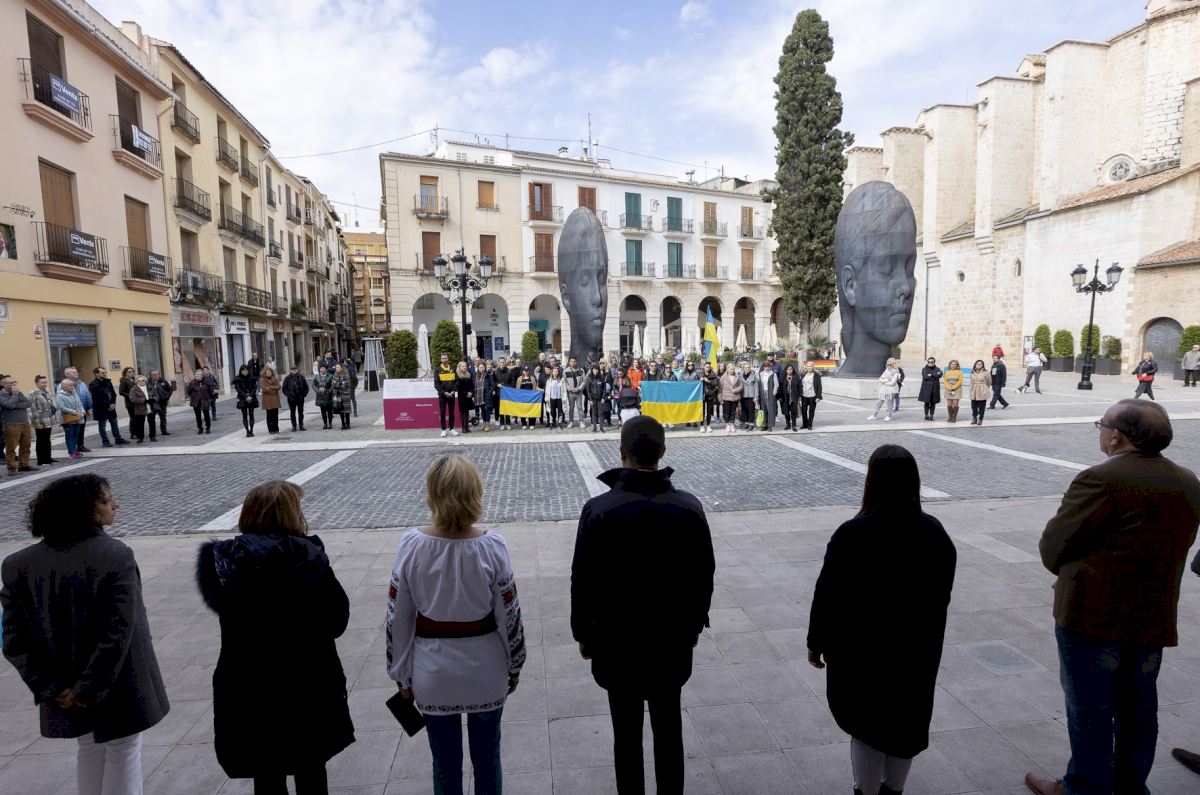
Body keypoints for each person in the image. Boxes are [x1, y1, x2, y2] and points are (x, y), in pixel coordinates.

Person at [1024, 400, 1200, 795]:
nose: (1101, 432)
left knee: (1090, 708)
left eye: (1101, 425)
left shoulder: (1100, 479)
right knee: (1139, 708)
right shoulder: (1188, 480)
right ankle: (1130, 786)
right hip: (1152, 615)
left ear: (1116, 436)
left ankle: (1085, 788)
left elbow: (1054, 547)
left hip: (1092, 616)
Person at [571, 416, 715, 795]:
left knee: (626, 736)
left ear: (621, 452)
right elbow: (703, 576)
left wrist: (583, 633)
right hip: (671, 641)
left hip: (616, 643)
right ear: (663, 451)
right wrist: (693, 628)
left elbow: (582, 579)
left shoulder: (598, 509)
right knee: (669, 730)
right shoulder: (688, 507)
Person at [1, 474, 169, 793]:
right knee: (122, 750)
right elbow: (118, 630)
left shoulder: (17, 564)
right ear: (84, 511)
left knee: (90, 749)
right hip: (116, 682)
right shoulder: (114, 555)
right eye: (105, 501)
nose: (115, 505)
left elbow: (13, 640)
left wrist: (52, 687)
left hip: (63, 683)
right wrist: (88, 688)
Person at [808, 445, 955, 795]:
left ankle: (867, 790)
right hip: (914, 650)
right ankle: (894, 789)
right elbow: (941, 595)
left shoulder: (852, 534)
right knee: (904, 724)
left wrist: (817, 642)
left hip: (862, 651)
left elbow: (827, 595)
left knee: (866, 724)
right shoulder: (934, 533)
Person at [196, 480, 354, 793]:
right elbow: (337, 620)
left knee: (266, 771)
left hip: (248, 681)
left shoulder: (223, 561)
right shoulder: (308, 557)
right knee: (311, 770)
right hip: (306, 680)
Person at [387, 454, 527, 795]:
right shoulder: (492, 547)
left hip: (432, 673)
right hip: (485, 671)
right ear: (475, 492)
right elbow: (509, 615)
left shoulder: (412, 545)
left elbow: (397, 618)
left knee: (445, 765)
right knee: (488, 761)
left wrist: (401, 675)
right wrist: (515, 664)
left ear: (432, 493)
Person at [1, 375, 34, 473]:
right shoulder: (1, 395)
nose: (14, 384)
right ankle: (11, 468)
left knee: (26, 445)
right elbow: (9, 405)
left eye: (15, 382)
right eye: (11, 382)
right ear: (4, 384)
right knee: (11, 447)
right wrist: (14, 396)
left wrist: (15, 404)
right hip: (11, 424)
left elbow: (28, 403)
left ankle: (24, 465)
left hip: (24, 423)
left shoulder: (19, 393)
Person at [88, 367, 128, 448]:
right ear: (96, 374)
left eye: (105, 372)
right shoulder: (93, 384)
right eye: (102, 373)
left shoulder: (108, 382)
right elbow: (97, 398)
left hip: (111, 407)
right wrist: (108, 405)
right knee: (102, 425)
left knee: (114, 423)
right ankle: (105, 441)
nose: (105, 374)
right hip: (101, 408)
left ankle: (118, 438)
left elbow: (113, 394)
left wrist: (113, 403)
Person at [29, 375, 58, 466]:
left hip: (48, 420)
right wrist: (36, 421)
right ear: (37, 383)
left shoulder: (47, 392)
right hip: (40, 421)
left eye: (45, 382)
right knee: (41, 441)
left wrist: (55, 418)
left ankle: (48, 457)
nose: (45, 384)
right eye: (42, 382)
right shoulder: (33, 393)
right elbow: (32, 408)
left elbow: (51, 406)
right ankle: (41, 460)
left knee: (47, 440)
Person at [64, 366, 93, 452]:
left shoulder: (82, 383)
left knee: (81, 429)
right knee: (73, 431)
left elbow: (87, 395)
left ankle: (80, 445)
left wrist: (89, 408)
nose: (76, 373)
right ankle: (73, 448)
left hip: (82, 411)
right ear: (67, 375)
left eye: (76, 372)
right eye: (73, 372)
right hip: (72, 412)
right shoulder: (64, 385)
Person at [56, 379, 86, 458]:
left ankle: (75, 450)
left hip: (77, 417)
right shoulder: (60, 395)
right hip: (68, 419)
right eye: (70, 385)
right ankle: (71, 452)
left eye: (72, 385)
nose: (72, 387)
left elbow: (80, 403)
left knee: (75, 435)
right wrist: (73, 412)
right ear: (63, 386)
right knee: (69, 436)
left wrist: (83, 411)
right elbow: (62, 407)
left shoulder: (74, 393)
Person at [127, 375, 157, 442]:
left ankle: (152, 436)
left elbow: (157, 396)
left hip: (150, 408)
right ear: (136, 382)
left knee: (152, 423)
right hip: (139, 408)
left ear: (145, 381)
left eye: (143, 380)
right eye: (139, 381)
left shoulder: (151, 387)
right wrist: (144, 400)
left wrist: (153, 399)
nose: (141, 382)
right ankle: (140, 438)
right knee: (140, 424)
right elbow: (132, 399)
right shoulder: (133, 389)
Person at [434, 353, 457, 437]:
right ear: (441, 360)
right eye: (443, 358)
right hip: (443, 395)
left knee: (451, 412)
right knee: (443, 412)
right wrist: (444, 392)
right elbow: (436, 384)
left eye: (446, 358)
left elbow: (456, 381)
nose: (445, 360)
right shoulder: (437, 370)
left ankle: (451, 428)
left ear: (448, 359)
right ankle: (443, 429)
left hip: (451, 394)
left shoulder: (453, 369)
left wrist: (453, 391)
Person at [233, 364, 259, 438]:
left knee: (251, 414)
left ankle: (251, 430)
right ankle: (247, 431)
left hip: (251, 397)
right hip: (242, 398)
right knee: (244, 415)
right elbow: (238, 389)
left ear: (248, 371)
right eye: (243, 370)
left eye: (246, 370)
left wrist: (250, 395)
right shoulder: (237, 379)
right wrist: (245, 396)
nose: (245, 372)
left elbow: (255, 387)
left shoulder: (252, 378)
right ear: (241, 371)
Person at [282, 365, 309, 432]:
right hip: (291, 398)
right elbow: (284, 388)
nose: (294, 370)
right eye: (292, 369)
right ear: (290, 370)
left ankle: (301, 425)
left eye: (295, 369)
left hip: (300, 397)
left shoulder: (301, 377)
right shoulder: (287, 378)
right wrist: (289, 395)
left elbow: (306, 387)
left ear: (297, 369)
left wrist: (303, 395)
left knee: (301, 412)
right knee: (292, 412)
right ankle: (294, 426)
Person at [147, 369, 173, 436]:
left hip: (162, 403)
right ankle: (152, 432)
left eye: (157, 374)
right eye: (153, 375)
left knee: (163, 417)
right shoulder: (147, 382)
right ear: (150, 375)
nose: (155, 376)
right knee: (151, 418)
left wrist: (166, 397)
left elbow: (170, 390)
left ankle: (164, 431)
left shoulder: (163, 381)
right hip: (152, 403)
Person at [185, 370, 212, 434]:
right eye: (196, 374)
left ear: (202, 375)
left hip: (205, 400)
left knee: (206, 415)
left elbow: (210, 391)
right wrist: (194, 396)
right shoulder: (192, 383)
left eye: (199, 374)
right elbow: (188, 391)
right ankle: (200, 428)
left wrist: (209, 397)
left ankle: (208, 428)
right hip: (196, 401)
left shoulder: (206, 382)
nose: (197, 376)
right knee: (198, 415)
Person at [719, 362, 743, 435]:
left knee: (733, 412)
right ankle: (727, 424)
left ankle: (732, 423)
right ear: (727, 369)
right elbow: (720, 389)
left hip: (734, 397)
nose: (732, 370)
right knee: (726, 412)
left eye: (733, 369)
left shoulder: (737, 376)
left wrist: (735, 390)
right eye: (731, 369)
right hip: (726, 397)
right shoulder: (723, 377)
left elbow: (741, 386)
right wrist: (720, 399)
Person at [800, 361, 823, 430]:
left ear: (813, 367)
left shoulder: (816, 375)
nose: (809, 367)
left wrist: (818, 396)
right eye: (808, 366)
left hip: (813, 395)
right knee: (803, 410)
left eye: (810, 366)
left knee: (811, 411)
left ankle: (810, 425)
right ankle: (805, 424)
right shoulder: (803, 374)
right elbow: (800, 384)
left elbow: (819, 386)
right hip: (804, 395)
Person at [584, 363, 607, 433]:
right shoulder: (589, 377)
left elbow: (604, 389)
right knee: (594, 413)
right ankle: (594, 428)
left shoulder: (601, 377)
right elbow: (588, 390)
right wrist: (590, 399)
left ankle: (601, 428)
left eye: (597, 369)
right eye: (594, 369)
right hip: (593, 398)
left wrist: (603, 398)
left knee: (601, 413)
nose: (595, 371)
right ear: (592, 370)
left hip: (600, 398)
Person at [968, 359, 991, 426]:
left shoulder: (986, 372)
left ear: (982, 365)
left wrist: (984, 388)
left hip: (982, 390)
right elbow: (971, 381)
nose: (978, 365)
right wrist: (971, 388)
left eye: (980, 364)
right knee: (973, 406)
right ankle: (974, 418)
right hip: (974, 390)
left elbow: (989, 382)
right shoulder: (972, 372)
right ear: (975, 365)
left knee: (982, 406)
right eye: (977, 364)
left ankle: (980, 418)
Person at [564, 355, 586, 429]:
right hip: (571, 393)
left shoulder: (581, 370)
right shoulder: (565, 371)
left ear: (576, 362)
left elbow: (584, 381)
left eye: (574, 361)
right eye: (571, 361)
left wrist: (579, 388)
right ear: (569, 362)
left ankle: (581, 421)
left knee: (580, 408)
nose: (573, 363)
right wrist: (570, 389)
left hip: (579, 392)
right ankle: (571, 421)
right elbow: (565, 382)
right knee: (571, 408)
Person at [918, 357, 941, 421]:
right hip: (926, 389)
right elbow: (925, 377)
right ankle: (926, 415)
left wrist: (930, 375)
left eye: (932, 362)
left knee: (933, 403)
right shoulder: (924, 369)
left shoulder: (938, 369)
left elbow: (939, 375)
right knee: (926, 403)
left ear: (934, 362)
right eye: (929, 362)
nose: (930, 363)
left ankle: (931, 415)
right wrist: (934, 376)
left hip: (934, 389)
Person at [454, 361, 474, 434]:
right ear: (459, 367)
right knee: (462, 412)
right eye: (463, 366)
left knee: (467, 412)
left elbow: (472, 385)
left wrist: (471, 392)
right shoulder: (457, 375)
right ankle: (463, 427)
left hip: (469, 396)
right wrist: (466, 393)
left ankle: (467, 427)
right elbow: (459, 387)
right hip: (462, 396)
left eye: (465, 366)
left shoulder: (469, 375)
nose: (464, 367)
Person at [779, 363, 801, 431]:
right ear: (786, 370)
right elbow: (779, 388)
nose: (789, 370)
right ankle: (788, 424)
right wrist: (779, 397)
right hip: (785, 398)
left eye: (791, 369)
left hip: (794, 397)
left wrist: (799, 396)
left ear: (793, 370)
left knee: (794, 411)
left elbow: (800, 387)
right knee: (786, 411)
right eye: (788, 369)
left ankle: (794, 425)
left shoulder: (796, 377)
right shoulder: (782, 378)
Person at [757, 361, 778, 431]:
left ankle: (770, 425)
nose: (767, 368)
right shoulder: (761, 374)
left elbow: (776, 384)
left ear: (770, 367)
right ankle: (764, 425)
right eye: (765, 366)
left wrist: (774, 393)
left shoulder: (773, 374)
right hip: (762, 393)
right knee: (763, 409)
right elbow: (759, 384)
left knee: (770, 409)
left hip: (770, 393)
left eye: (768, 366)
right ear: (763, 367)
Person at [475, 360, 495, 433]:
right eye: (480, 367)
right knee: (482, 411)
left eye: (483, 367)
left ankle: (487, 424)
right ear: (478, 368)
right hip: (479, 397)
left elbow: (492, 385)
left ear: (485, 368)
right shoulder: (476, 375)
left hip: (486, 395)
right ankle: (483, 423)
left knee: (487, 410)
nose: (481, 369)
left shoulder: (488, 375)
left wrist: (489, 393)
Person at [117, 366, 137, 439]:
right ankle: (133, 434)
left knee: (137, 418)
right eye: (129, 372)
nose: (132, 373)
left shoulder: (135, 380)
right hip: (130, 403)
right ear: (125, 373)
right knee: (133, 418)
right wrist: (130, 396)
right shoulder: (124, 381)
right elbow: (121, 392)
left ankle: (138, 432)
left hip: (137, 402)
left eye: (132, 371)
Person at [313, 365, 334, 430]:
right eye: (321, 368)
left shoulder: (330, 376)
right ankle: (325, 424)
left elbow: (332, 385)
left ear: (326, 369)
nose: (322, 370)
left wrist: (329, 391)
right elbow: (314, 385)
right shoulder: (317, 376)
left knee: (329, 411)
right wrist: (317, 391)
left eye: (324, 368)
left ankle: (330, 423)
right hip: (320, 396)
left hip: (328, 396)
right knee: (323, 411)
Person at [738, 361, 758, 430]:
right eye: (746, 368)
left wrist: (756, 396)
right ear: (743, 368)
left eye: (749, 367)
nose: (748, 369)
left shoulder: (754, 376)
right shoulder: (740, 376)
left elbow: (756, 386)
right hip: (743, 395)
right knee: (744, 410)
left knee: (751, 410)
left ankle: (751, 424)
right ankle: (746, 423)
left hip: (751, 396)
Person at [332, 364, 353, 430]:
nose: (336, 368)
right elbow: (333, 385)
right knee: (340, 410)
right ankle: (343, 424)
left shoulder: (346, 375)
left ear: (341, 368)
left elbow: (347, 384)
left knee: (346, 411)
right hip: (338, 395)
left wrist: (339, 384)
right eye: (336, 367)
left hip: (345, 395)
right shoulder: (335, 375)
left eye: (338, 367)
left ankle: (348, 424)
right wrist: (340, 384)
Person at [700, 362, 719, 433]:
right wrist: (700, 380)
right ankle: (702, 425)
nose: (708, 368)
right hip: (702, 395)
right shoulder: (700, 374)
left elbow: (715, 384)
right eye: (706, 367)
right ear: (704, 367)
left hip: (710, 395)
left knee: (709, 411)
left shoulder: (713, 375)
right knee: (702, 411)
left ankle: (708, 425)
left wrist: (708, 381)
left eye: (709, 367)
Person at [546, 366, 565, 430]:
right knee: (552, 411)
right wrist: (547, 399)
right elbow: (547, 390)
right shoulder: (549, 381)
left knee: (560, 411)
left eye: (556, 371)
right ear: (552, 372)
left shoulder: (562, 380)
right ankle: (552, 423)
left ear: (558, 372)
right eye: (554, 371)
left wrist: (564, 398)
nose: (555, 372)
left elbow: (564, 390)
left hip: (559, 398)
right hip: (552, 398)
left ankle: (559, 423)